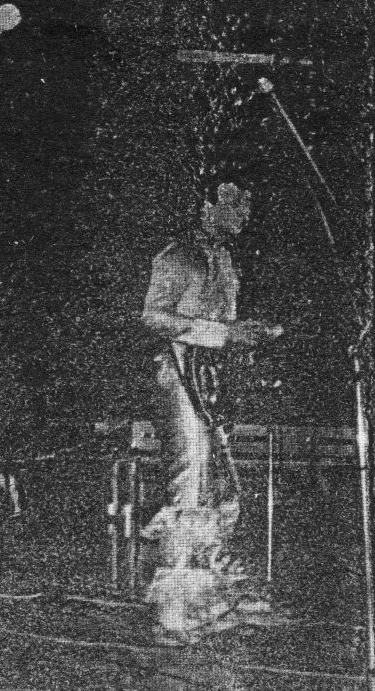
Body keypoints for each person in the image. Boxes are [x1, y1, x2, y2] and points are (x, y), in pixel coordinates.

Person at [139, 181, 283, 645]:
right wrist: (223, 334)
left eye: (249, 204)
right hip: (179, 374)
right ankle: (173, 614)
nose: (245, 212)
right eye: (236, 202)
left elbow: (225, 325)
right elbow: (152, 317)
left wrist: (246, 333)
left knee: (218, 485)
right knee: (191, 482)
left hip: (213, 380)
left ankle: (209, 602)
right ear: (207, 205)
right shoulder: (178, 255)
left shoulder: (226, 260)